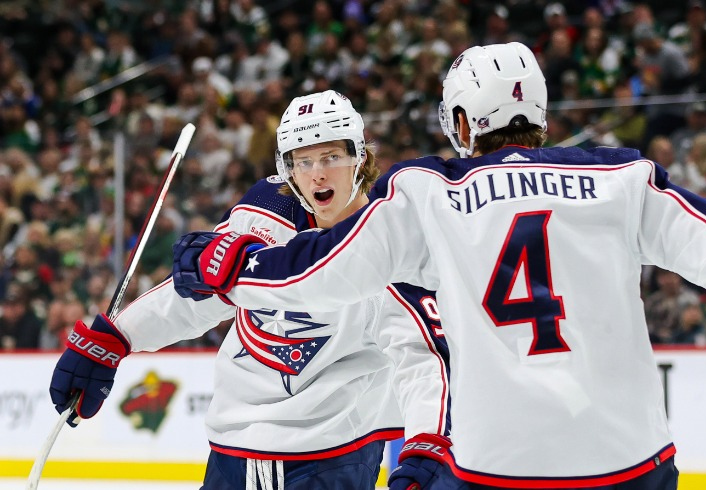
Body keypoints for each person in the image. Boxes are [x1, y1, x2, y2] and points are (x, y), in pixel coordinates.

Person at [171, 43, 706, 489]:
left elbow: (320, 270)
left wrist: (228, 265)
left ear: (465, 124)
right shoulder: (623, 178)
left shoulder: (429, 191)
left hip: (499, 467)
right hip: (631, 461)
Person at [49, 90, 451, 490]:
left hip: (332, 456)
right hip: (232, 449)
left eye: (331, 157)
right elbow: (202, 295)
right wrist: (117, 338)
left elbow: (421, 356)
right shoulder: (265, 210)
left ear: (360, 156)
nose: (318, 175)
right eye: (303, 161)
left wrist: (426, 445)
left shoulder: (390, 237)